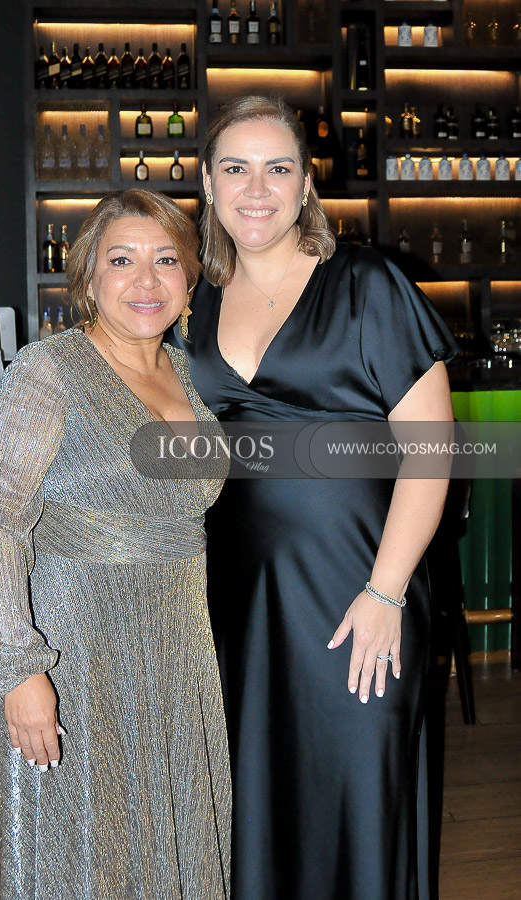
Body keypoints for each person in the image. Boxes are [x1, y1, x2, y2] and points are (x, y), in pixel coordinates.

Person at [172, 96, 457, 900]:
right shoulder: (192, 297)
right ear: (207, 182)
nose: (255, 188)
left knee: (358, 788)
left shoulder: (366, 282)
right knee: (256, 796)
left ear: (305, 185)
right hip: (235, 599)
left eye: (277, 168)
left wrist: (385, 591)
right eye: (235, 168)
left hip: (357, 584)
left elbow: (431, 451)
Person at [0, 190, 231, 899]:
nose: (146, 280)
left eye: (166, 260)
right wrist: (17, 668)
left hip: (177, 653)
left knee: (168, 841)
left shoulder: (185, 371)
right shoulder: (47, 372)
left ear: (189, 279)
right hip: (75, 655)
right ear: (88, 276)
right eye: (122, 260)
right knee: (81, 853)